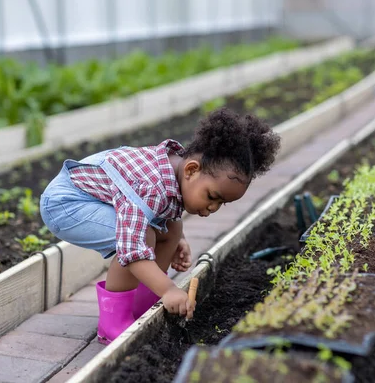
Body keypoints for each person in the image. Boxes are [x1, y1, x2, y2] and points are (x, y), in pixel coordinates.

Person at [39, 108, 281, 345]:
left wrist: (179, 239)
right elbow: (131, 248)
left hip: (94, 197)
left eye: (222, 204)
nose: (213, 208)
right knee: (142, 238)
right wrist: (169, 289)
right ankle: (113, 322)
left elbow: (164, 217)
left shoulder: (174, 173)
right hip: (66, 204)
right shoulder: (151, 186)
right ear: (192, 170)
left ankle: (141, 304)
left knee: (171, 229)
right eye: (212, 196)